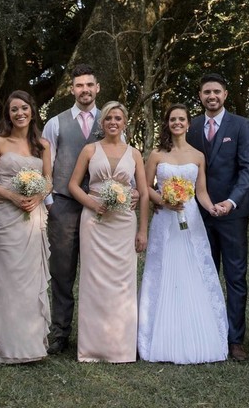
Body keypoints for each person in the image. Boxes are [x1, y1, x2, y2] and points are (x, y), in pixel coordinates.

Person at [138, 103, 228, 364]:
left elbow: (200, 191)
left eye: (182, 119)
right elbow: (146, 189)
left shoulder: (198, 155)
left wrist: (211, 207)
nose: (177, 122)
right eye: (172, 119)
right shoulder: (156, 154)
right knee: (164, 270)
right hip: (164, 220)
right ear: (167, 123)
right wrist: (164, 201)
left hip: (191, 221)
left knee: (193, 271)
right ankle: (157, 335)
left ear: (189, 124)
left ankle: (197, 332)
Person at [0, 90, 52, 363]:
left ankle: (30, 344)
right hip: (6, 216)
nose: (20, 113)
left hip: (34, 216)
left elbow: (49, 180)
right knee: (6, 277)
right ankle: (4, 344)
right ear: (7, 114)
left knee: (30, 280)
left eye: (24, 108)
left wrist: (39, 195)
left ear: (32, 110)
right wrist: (12, 196)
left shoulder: (42, 145)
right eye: (14, 109)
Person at [69, 101, 149, 363]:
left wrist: (143, 231)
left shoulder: (135, 153)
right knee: (94, 283)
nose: (113, 122)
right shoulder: (90, 150)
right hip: (94, 222)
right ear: (101, 123)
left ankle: (121, 347)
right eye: (108, 119)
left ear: (125, 122)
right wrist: (93, 204)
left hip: (124, 223)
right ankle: (92, 348)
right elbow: (73, 185)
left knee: (123, 283)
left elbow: (145, 193)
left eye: (118, 118)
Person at [187, 72, 249, 362]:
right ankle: (209, 333)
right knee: (204, 274)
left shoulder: (241, 126)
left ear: (225, 94)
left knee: (235, 276)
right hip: (199, 214)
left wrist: (231, 202)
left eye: (216, 91)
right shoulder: (190, 127)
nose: (211, 96)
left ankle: (235, 339)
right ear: (200, 96)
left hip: (232, 215)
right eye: (206, 92)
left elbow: (247, 169)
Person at [43, 64, 101, 355]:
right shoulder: (55, 123)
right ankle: (60, 332)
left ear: (97, 88)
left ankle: (95, 334)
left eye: (89, 85)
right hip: (63, 204)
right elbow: (46, 165)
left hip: (101, 206)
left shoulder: (111, 120)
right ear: (72, 90)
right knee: (62, 271)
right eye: (79, 85)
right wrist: (50, 202)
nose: (85, 90)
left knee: (97, 270)